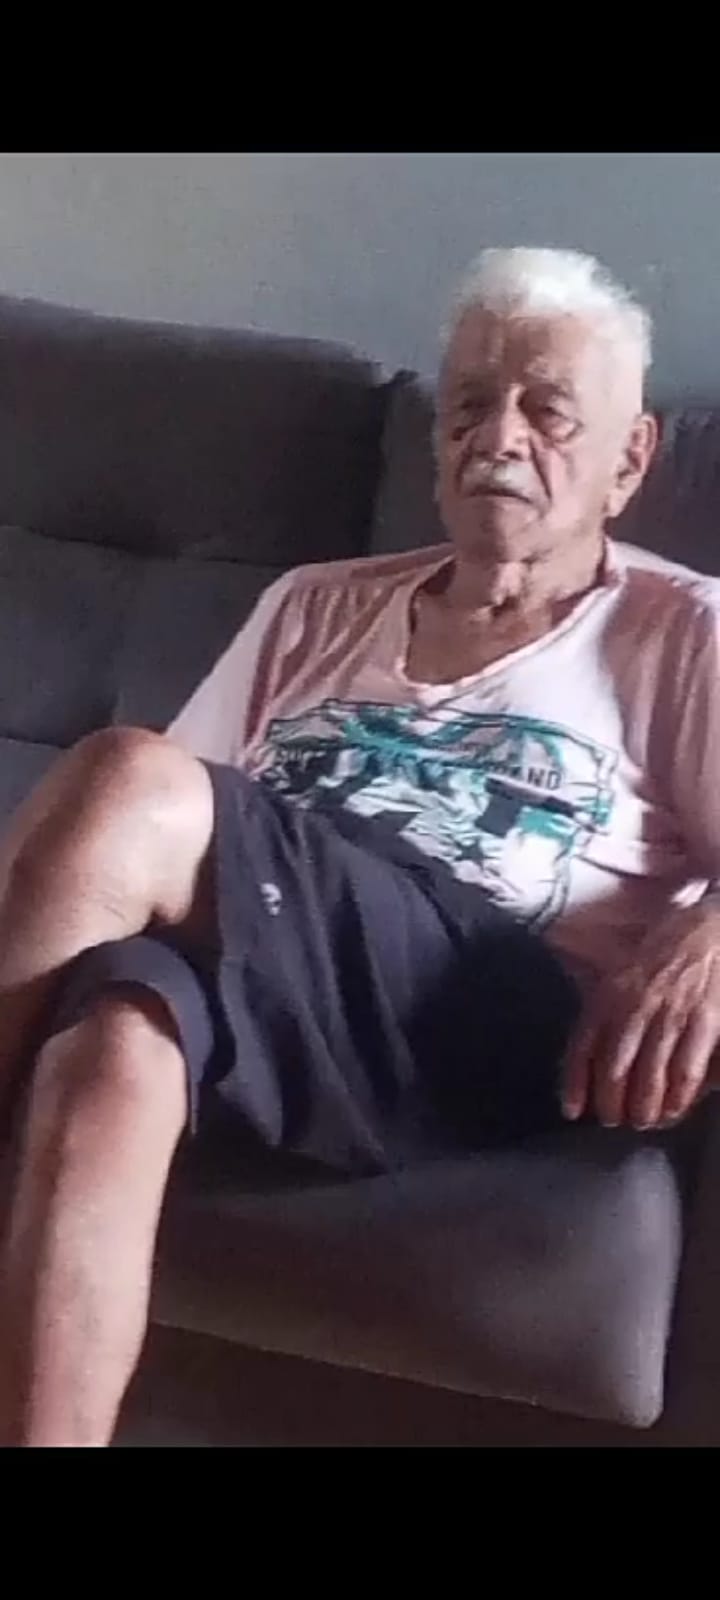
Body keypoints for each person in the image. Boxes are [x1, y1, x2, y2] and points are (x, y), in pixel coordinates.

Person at [1, 245, 720, 1447]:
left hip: (481, 1000)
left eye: (547, 412)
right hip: (279, 966)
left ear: (630, 460)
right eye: (470, 403)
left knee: (125, 773)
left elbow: (146, 799)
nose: (498, 438)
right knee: (113, 1043)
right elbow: (159, 845)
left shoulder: (680, 631)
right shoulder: (315, 603)